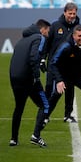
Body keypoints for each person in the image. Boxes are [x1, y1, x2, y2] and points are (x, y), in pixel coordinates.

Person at [9, 19, 51, 147]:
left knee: (19, 108)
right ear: (42, 29)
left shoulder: (22, 40)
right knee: (45, 105)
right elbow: (33, 57)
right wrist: (36, 76)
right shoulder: (39, 37)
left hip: (14, 77)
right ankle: (36, 136)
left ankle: (14, 139)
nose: (48, 34)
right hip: (29, 78)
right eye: (47, 31)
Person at [41, 2, 80, 123]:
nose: (72, 16)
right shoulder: (55, 25)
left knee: (70, 89)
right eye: (70, 13)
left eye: (74, 13)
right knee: (49, 89)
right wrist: (42, 59)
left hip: (69, 65)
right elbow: (47, 43)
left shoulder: (77, 27)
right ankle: (45, 115)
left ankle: (67, 115)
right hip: (54, 63)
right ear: (64, 12)